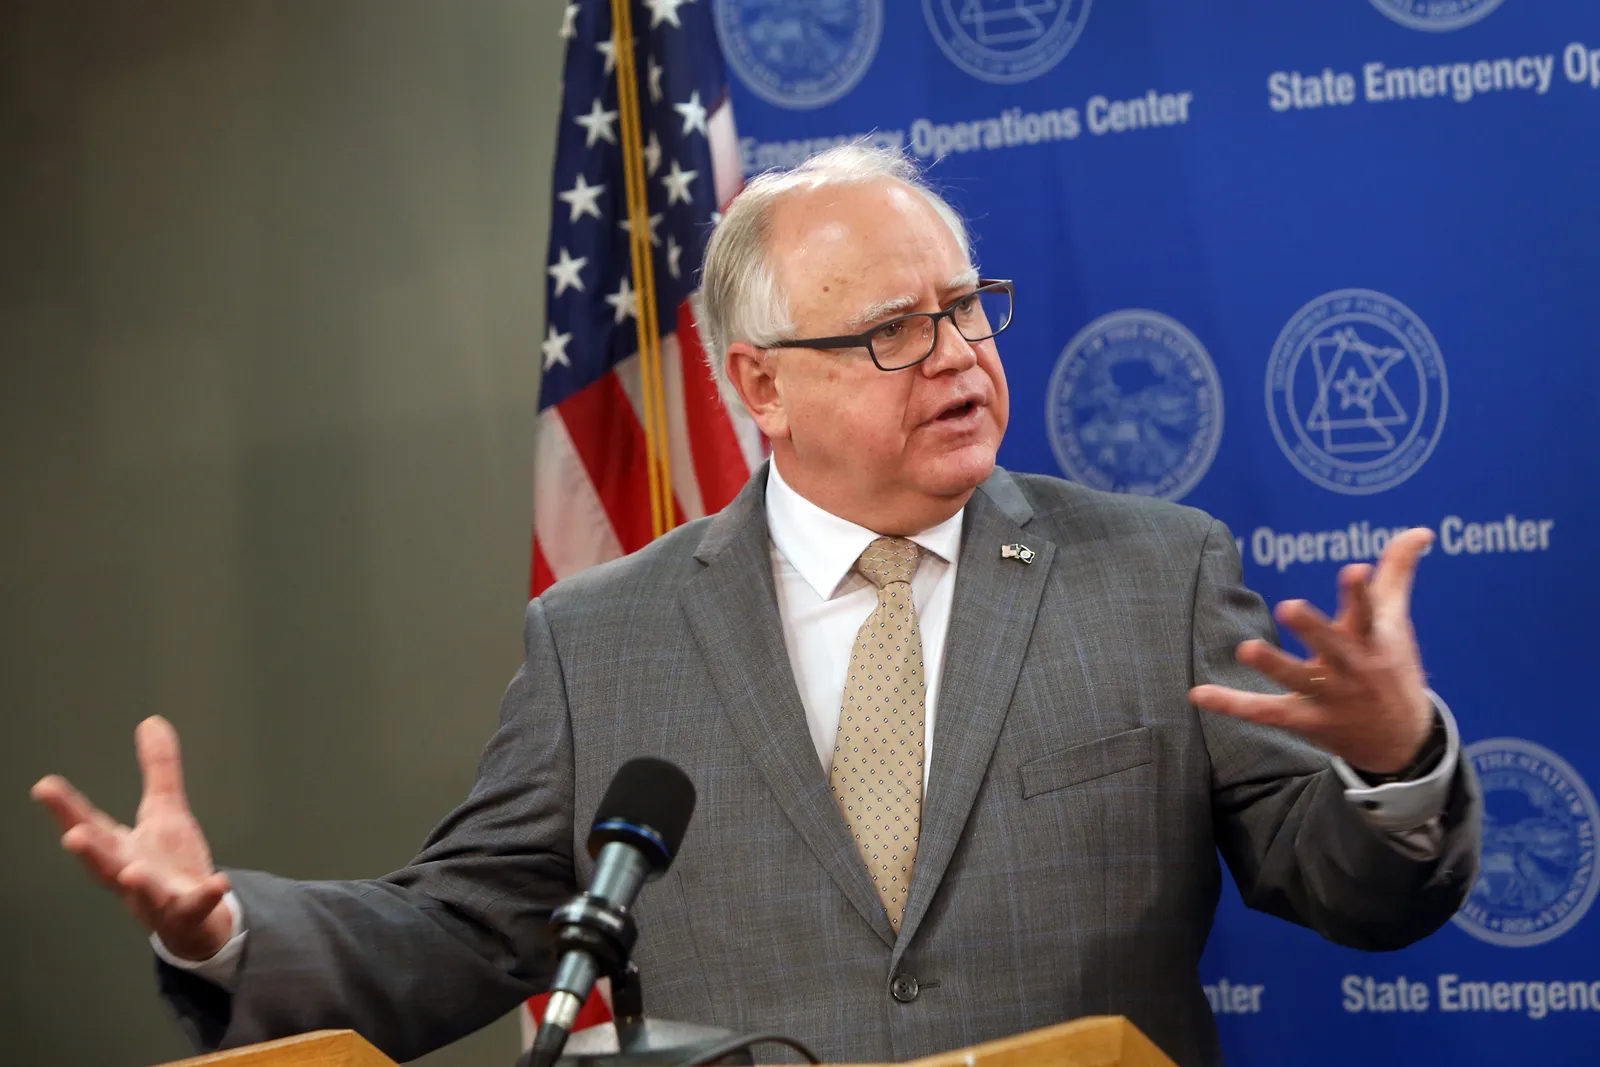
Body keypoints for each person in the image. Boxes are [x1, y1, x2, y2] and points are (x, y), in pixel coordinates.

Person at [32, 145, 1480, 1067]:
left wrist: (1394, 755)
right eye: (893, 330)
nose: (959, 353)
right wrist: (223, 927)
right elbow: (468, 930)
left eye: (968, 305)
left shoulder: (1153, 571)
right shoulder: (604, 638)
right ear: (760, 386)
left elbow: (1354, 890)